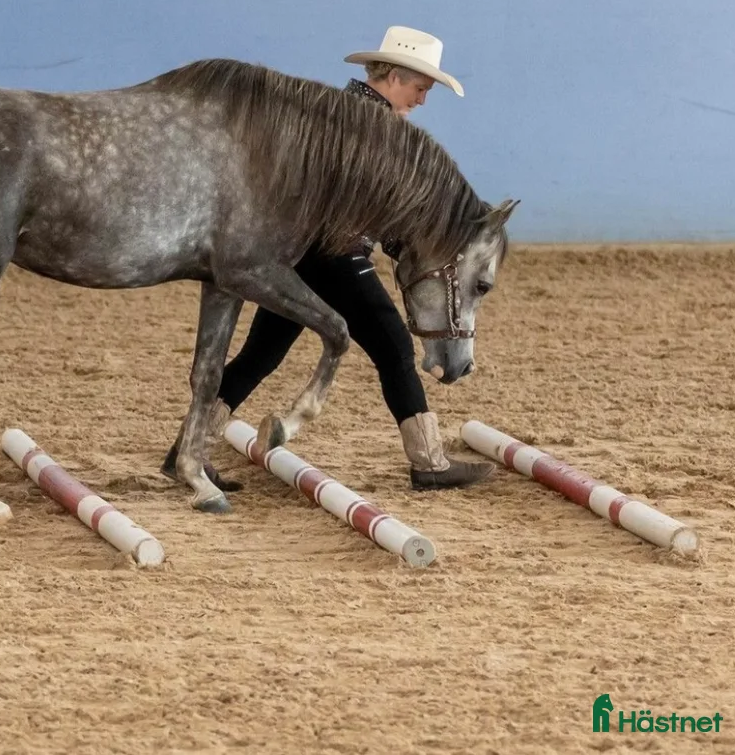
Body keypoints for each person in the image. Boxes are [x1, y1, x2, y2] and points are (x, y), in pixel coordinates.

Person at [165, 26, 494, 490]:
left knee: (262, 354)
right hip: (334, 255)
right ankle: (429, 462)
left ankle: (186, 449)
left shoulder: (347, 113)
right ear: (396, 75)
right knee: (394, 346)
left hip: (301, 254)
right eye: (421, 87)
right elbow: (369, 211)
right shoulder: (366, 127)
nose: (422, 100)